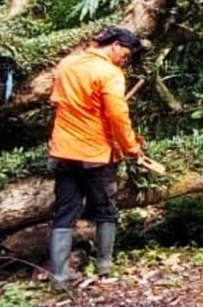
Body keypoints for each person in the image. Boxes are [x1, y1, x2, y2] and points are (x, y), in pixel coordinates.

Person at [46, 26, 143, 286]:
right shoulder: (110, 73)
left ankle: (59, 275)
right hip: (95, 153)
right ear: (114, 46)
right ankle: (104, 266)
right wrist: (131, 147)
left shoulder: (67, 63)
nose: (125, 59)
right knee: (106, 211)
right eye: (125, 53)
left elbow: (56, 102)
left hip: (63, 151)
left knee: (64, 212)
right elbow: (117, 116)